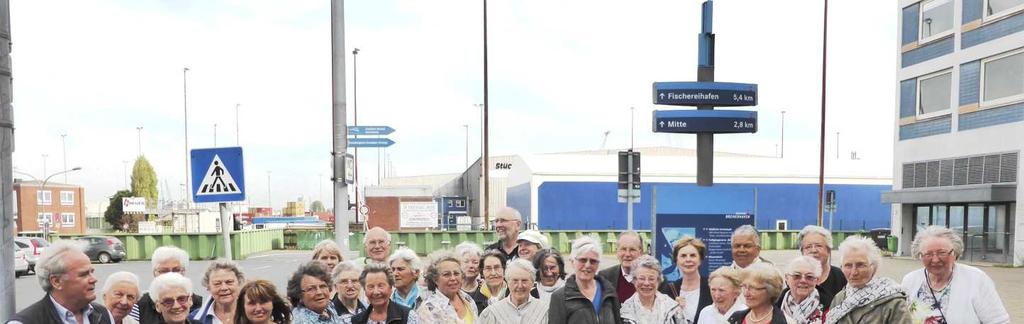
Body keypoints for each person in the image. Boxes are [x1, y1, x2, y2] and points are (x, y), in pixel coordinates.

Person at [901, 226, 1009, 324]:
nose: (935, 259)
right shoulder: (910, 280)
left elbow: (999, 321)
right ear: (920, 256)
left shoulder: (976, 279)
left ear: (955, 253)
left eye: (942, 253)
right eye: (928, 254)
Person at [6, 241, 114, 324]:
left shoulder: (103, 314)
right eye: (84, 274)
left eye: (91, 272)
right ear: (56, 281)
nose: (93, 279)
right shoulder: (25, 322)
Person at [825, 236, 911, 324]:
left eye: (860, 265)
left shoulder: (894, 303)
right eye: (848, 265)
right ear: (841, 267)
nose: (854, 272)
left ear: (874, 267)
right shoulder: (839, 299)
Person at [548, 235, 622, 324]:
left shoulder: (608, 291)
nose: (587, 265)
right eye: (582, 260)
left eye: (593, 261)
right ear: (572, 262)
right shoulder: (560, 297)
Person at [131, 246, 204, 323]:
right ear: (154, 273)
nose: (170, 274)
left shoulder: (198, 305)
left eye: (176, 270)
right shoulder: (139, 305)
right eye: (164, 271)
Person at [659, 236, 713, 324]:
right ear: (676, 261)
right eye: (683, 256)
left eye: (693, 255)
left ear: (700, 260)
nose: (688, 259)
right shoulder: (668, 290)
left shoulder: (711, 287)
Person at [416, 250, 479, 324]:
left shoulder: (467, 299)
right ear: (435, 279)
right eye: (446, 274)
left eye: (456, 273)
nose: (453, 278)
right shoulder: (427, 309)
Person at [478, 259, 549, 324]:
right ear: (508, 283)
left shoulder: (545, 311)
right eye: (515, 281)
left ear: (532, 283)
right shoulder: (491, 313)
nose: (520, 286)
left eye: (524, 281)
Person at [620, 255, 685, 324]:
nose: (646, 283)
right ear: (634, 280)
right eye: (642, 278)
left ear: (658, 280)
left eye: (651, 279)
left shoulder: (672, 307)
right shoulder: (625, 311)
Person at [351, 263, 419, 324]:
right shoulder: (356, 321)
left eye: (381, 286)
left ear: (390, 288)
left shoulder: (407, 316)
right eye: (370, 287)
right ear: (364, 290)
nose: (376, 292)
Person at [726, 263, 793, 324]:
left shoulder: (786, 321)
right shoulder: (735, 318)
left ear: (770, 291)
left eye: (752, 288)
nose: (746, 293)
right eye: (744, 286)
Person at [776, 256, 831, 324]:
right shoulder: (773, 304)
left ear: (817, 280)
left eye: (809, 277)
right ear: (787, 278)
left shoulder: (831, 307)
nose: (803, 280)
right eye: (796, 276)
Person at [797, 225, 846, 297]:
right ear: (802, 252)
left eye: (818, 246)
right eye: (808, 247)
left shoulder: (842, 277)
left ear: (828, 250)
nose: (813, 250)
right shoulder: (795, 278)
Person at [598, 231, 643, 302]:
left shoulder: (654, 279)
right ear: (617, 251)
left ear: (640, 253)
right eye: (623, 249)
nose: (627, 254)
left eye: (632, 249)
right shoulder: (604, 277)